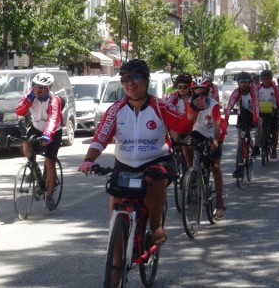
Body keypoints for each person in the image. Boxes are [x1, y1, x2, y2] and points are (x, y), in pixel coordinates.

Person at [78, 59, 204, 247]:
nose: (130, 83)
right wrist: (89, 160)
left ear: (146, 81)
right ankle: (116, 256)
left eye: (135, 77)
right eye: (125, 79)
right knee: (116, 198)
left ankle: (156, 226)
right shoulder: (115, 110)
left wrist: (193, 109)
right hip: (125, 164)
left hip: (157, 161)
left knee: (153, 181)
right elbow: (100, 138)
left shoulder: (160, 107)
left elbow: (181, 124)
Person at [14, 72, 64, 211]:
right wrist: (28, 100)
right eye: (36, 87)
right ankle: (32, 167)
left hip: (53, 130)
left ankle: (49, 196)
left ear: (49, 87)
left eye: (42, 87)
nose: (39, 90)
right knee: (26, 143)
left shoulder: (54, 100)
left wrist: (48, 135)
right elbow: (19, 111)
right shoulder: (31, 96)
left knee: (49, 161)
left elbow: (53, 118)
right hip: (36, 127)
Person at [183, 79, 227, 220]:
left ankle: (219, 204)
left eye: (203, 93)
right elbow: (185, 122)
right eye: (197, 93)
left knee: (215, 166)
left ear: (208, 94)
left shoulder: (213, 105)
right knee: (186, 142)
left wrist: (214, 140)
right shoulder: (190, 104)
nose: (200, 96)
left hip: (214, 135)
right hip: (198, 133)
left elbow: (217, 125)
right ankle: (192, 170)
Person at [224, 71, 259, 178]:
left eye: (245, 82)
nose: (243, 84)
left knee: (259, 128)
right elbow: (229, 106)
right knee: (240, 141)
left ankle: (256, 146)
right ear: (238, 83)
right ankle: (239, 169)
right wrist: (226, 119)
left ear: (249, 83)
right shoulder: (236, 92)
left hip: (254, 114)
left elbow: (256, 106)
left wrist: (256, 120)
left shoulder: (254, 92)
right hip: (243, 115)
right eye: (241, 82)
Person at [255, 70, 279, 159]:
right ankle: (258, 145)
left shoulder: (275, 88)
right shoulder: (257, 88)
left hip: (272, 111)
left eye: (268, 79)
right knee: (259, 129)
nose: (266, 80)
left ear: (271, 79)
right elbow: (254, 98)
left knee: (274, 131)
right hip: (261, 111)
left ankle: (274, 150)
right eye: (264, 79)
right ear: (261, 79)